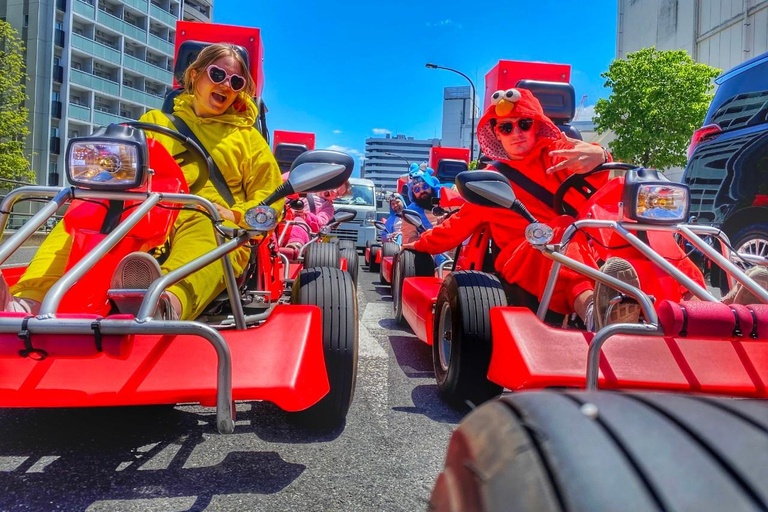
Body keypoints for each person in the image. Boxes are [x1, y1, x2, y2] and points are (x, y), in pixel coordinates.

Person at [2, 43, 283, 320]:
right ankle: (26, 304)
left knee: (207, 238)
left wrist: (231, 214)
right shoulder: (155, 120)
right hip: (146, 208)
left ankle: (164, 305)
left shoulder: (248, 140)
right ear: (195, 75)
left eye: (236, 81)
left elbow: (270, 198)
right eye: (218, 75)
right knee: (81, 218)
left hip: (204, 213)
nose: (226, 86)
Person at [281, 181, 350, 251]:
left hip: (301, 228)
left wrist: (305, 216)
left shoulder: (328, 207)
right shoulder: (303, 189)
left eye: (337, 193)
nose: (334, 192)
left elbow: (321, 222)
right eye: (335, 187)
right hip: (281, 219)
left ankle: (293, 247)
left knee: (298, 222)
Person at [400, 170, 445, 245]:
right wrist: (429, 236)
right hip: (430, 253)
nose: (422, 191)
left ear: (431, 186)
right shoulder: (410, 212)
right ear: (412, 193)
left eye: (425, 186)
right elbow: (407, 240)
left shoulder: (446, 200)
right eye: (417, 189)